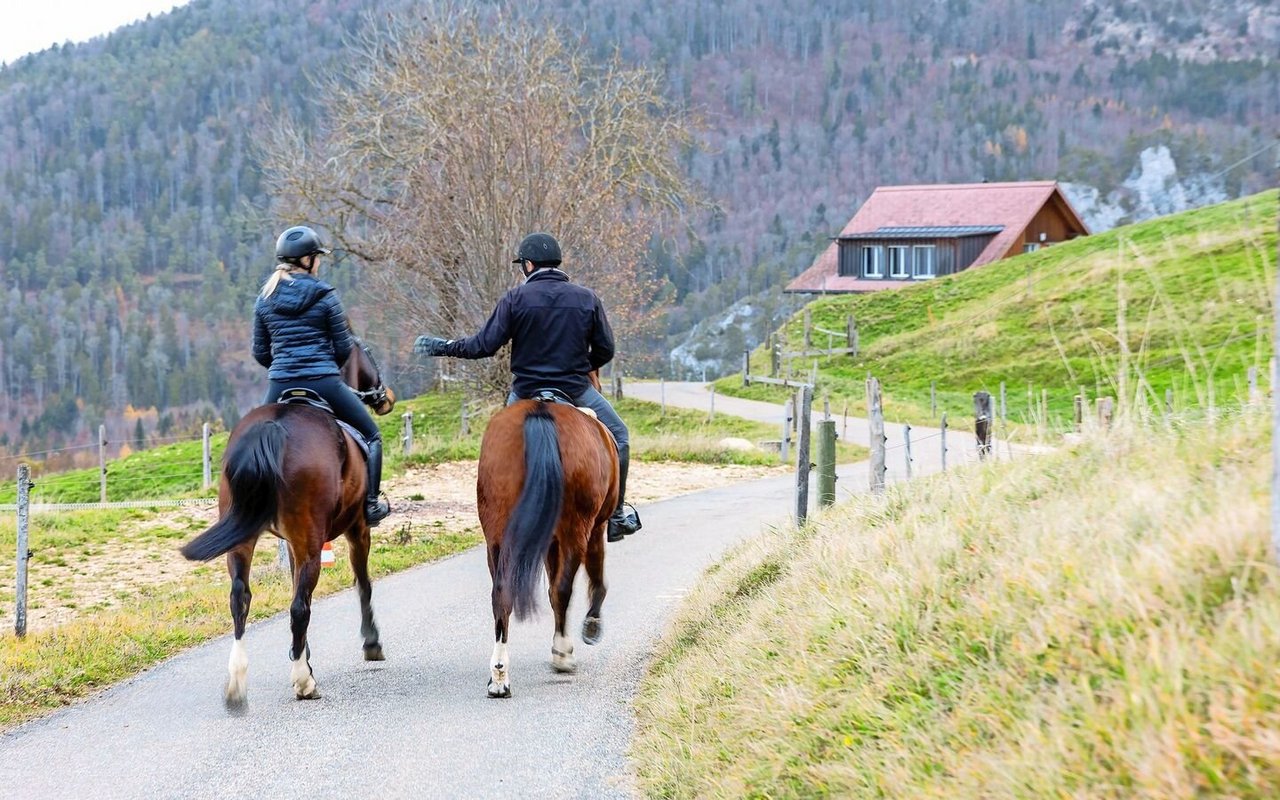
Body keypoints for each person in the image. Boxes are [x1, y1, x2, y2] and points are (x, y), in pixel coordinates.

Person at [413, 232, 641, 542]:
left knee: (499, 448)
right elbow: (606, 349)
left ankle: (500, 513)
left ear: (528, 265)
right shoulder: (587, 298)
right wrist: (582, 364)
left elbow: (483, 345)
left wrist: (444, 346)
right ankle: (616, 517)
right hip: (574, 388)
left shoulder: (515, 299)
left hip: (525, 391)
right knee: (620, 437)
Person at [252, 225, 391, 526]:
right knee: (372, 435)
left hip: (281, 383)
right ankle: (370, 505)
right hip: (324, 381)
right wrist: (321, 366)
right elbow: (344, 349)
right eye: (317, 257)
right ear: (307, 260)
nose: (318, 262)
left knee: (255, 441)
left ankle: (254, 507)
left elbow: (260, 353)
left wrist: (285, 369)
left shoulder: (264, 298)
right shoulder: (326, 295)